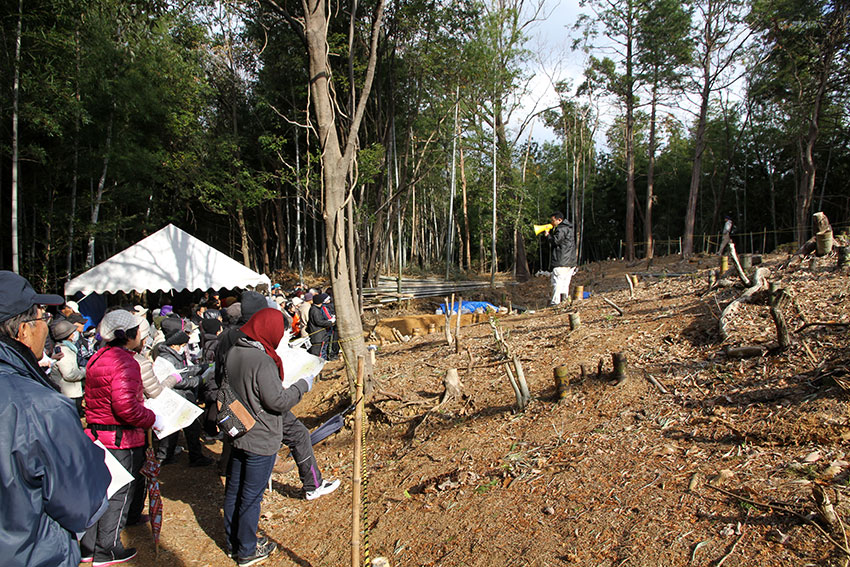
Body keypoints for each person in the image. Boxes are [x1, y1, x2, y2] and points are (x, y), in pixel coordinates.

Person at [0, 271, 111, 567]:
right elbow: (83, 502)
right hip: (32, 554)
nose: (46, 329)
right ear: (22, 330)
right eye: (42, 319)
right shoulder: (40, 407)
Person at [222, 308, 338, 565]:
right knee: (251, 496)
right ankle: (247, 551)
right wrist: (303, 385)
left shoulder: (234, 351)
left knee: (234, 489)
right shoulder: (261, 360)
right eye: (279, 331)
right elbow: (277, 401)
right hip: (260, 435)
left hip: (240, 429)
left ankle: (233, 542)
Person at [82, 308, 158, 565]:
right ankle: (108, 548)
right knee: (120, 494)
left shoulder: (97, 358)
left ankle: (89, 545)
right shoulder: (126, 362)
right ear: (128, 335)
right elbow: (126, 407)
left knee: (101, 491)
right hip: (121, 439)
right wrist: (150, 418)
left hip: (98, 435)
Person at [49, 318, 86, 417]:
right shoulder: (64, 351)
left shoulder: (68, 349)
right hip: (69, 394)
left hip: (71, 393)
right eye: (74, 332)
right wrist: (84, 371)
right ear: (69, 335)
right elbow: (69, 374)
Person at [546, 211, 577, 306]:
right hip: (570, 261)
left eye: (553, 220)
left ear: (559, 220)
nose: (552, 223)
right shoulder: (569, 228)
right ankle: (564, 302)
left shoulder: (561, 229)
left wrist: (548, 235)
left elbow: (555, 241)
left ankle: (555, 302)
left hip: (561, 261)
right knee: (565, 283)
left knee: (557, 282)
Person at [307, 293, 335, 360]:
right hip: (318, 336)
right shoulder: (315, 310)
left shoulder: (316, 309)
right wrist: (330, 322)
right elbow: (319, 322)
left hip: (320, 335)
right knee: (319, 353)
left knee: (322, 351)